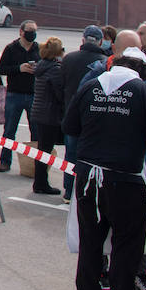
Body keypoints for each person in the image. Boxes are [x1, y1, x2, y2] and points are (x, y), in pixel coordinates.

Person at [63, 46, 146, 290]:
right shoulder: (144, 91)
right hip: (124, 178)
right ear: (142, 71)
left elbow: (70, 126)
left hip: (88, 175)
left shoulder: (90, 86)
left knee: (91, 241)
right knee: (126, 245)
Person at [61, 25, 112, 200]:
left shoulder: (69, 59)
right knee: (91, 158)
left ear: (83, 39)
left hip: (71, 113)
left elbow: (62, 85)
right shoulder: (104, 61)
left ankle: (68, 191)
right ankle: (86, 193)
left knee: (71, 155)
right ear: (99, 41)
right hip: (94, 117)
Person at [0, 20, 40, 173]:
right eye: (29, 30)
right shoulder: (11, 48)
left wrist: (37, 69)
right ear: (21, 31)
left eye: (34, 30)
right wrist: (19, 68)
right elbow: (1, 69)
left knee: (35, 131)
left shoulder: (38, 48)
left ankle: (36, 165)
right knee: (9, 130)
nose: (32, 33)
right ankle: (5, 161)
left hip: (33, 94)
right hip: (15, 94)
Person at [29, 37, 66, 195]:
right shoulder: (55, 69)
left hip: (39, 112)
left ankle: (40, 182)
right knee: (45, 150)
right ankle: (41, 183)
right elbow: (60, 94)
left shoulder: (42, 66)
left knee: (42, 149)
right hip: (50, 114)